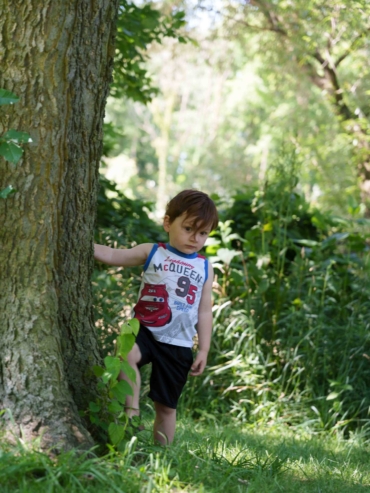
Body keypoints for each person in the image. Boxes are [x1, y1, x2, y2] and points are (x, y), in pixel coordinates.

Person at [94, 189, 218, 445]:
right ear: (168, 222)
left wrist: (204, 349)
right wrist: (82, 240)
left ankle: (162, 454)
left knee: (167, 407)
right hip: (146, 329)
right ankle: (132, 411)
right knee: (127, 355)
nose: (195, 238)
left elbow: (204, 310)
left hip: (179, 343)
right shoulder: (153, 251)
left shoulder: (205, 267)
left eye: (203, 233)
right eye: (188, 229)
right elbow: (115, 255)